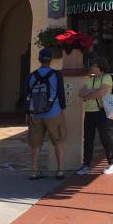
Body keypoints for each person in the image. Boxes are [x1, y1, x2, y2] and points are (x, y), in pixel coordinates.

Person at [26, 48, 67, 180]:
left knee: (36, 143)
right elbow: (61, 93)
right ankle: (60, 170)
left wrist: (27, 113)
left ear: (39, 59)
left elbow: (27, 95)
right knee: (58, 141)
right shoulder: (56, 74)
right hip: (53, 112)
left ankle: (34, 171)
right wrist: (63, 109)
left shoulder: (32, 76)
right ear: (51, 60)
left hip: (36, 114)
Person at [76, 57, 113, 175]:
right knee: (88, 139)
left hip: (102, 112)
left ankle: (112, 163)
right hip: (89, 112)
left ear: (100, 66)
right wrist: (93, 92)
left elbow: (101, 93)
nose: (91, 67)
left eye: (93, 65)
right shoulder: (91, 79)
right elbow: (80, 93)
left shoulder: (107, 78)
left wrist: (89, 94)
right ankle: (86, 165)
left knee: (105, 137)